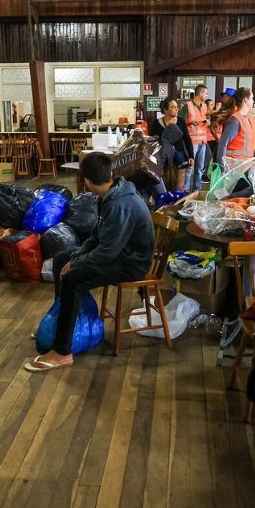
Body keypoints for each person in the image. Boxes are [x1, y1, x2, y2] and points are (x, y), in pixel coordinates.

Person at [25, 152, 154, 372]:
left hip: (131, 264)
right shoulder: (111, 194)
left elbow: (106, 253)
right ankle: (61, 324)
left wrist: (76, 264)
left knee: (73, 280)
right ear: (110, 174)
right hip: (118, 254)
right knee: (60, 260)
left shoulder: (120, 204)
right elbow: (96, 236)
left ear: (86, 182)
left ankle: (62, 352)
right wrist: (76, 257)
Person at [216, 87, 255, 169]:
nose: (253, 101)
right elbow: (223, 144)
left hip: (245, 165)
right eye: (252, 98)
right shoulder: (235, 120)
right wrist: (223, 167)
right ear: (245, 99)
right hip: (234, 167)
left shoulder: (249, 118)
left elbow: (245, 138)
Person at [180, 84, 212, 190]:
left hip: (203, 141)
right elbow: (180, 123)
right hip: (191, 142)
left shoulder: (204, 106)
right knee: (190, 167)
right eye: (206, 93)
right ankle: (185, 191)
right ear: (201, 93)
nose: (207, 95)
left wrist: (208, 122)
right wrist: (190, 123)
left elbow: (207, 119)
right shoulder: (187, 106)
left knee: (200, 168)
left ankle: (197, 189)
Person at [158, 96, 190, 191]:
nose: (176, 109)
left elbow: (187, 139)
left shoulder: (181, 122)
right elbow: (152, 141)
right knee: (166, 186)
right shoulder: (157, 123)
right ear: (165, 110)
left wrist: (191, 156)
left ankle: (178, 201)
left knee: (179, 187)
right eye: (172, 107)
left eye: (176, 107)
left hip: (180, 158)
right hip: (163, 159)